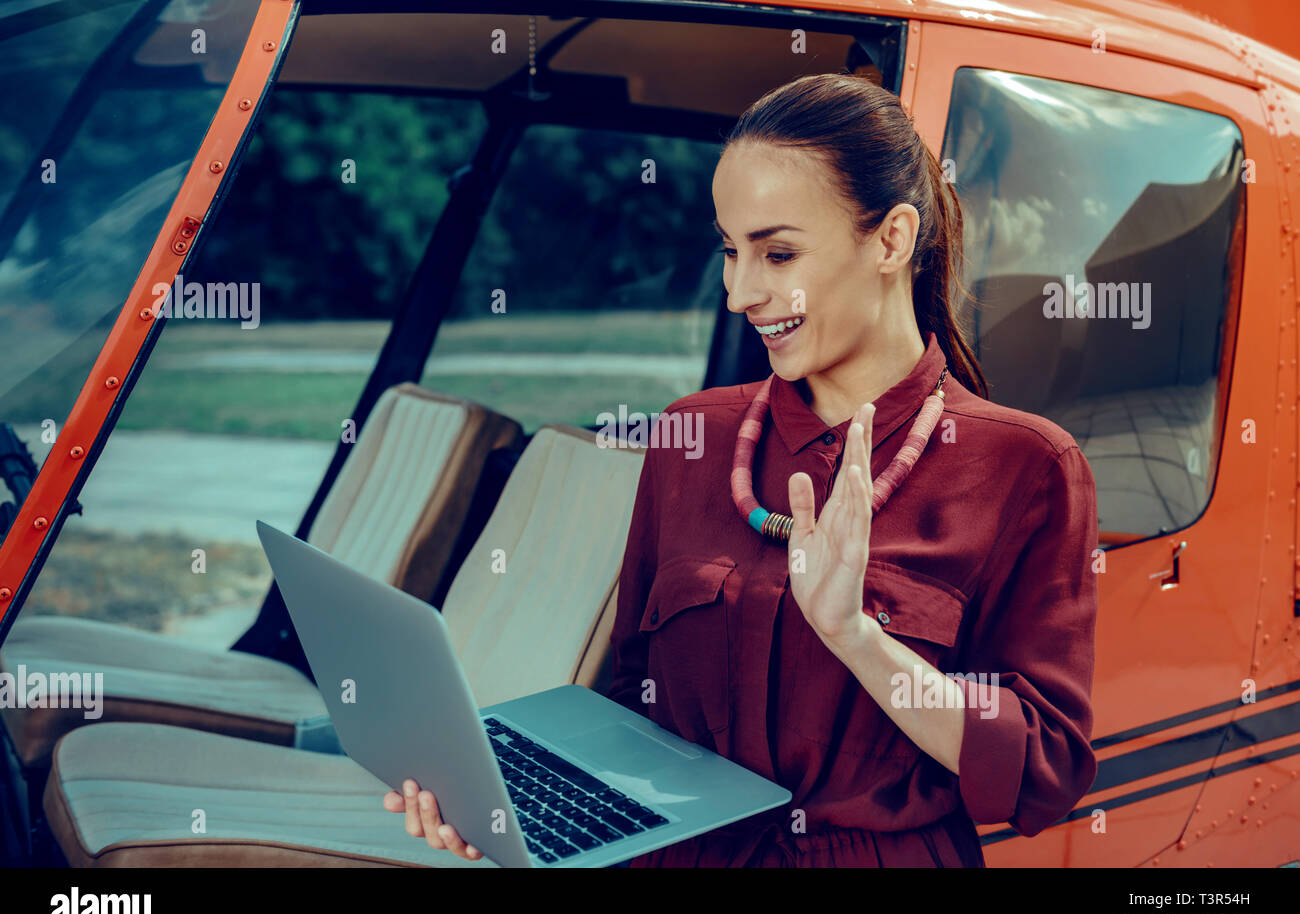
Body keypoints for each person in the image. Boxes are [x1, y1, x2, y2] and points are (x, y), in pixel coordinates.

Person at [384, 71, 1099, 867]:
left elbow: (1046, 774)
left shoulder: (1027, 466)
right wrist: (504, 801)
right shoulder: (692, 436)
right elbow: (633, 704)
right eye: (730, 250)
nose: (739, 291)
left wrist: (858, 639)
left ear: (892, 241)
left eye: (777, 251)